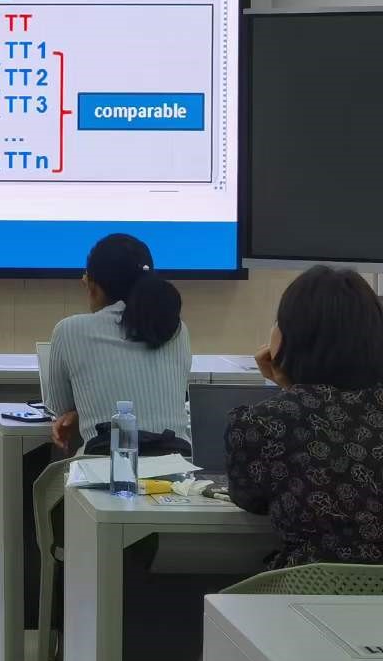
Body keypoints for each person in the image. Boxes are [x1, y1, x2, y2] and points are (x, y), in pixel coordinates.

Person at [225, 265, 383, 568]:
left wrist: (289, 388)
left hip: (308, 587)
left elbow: (250, 499)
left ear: (292, 336)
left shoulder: (262, 423)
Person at [44, 233, 191, 453]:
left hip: (105, 467)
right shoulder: (176, 329)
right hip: (178, 467)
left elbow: (59, 411)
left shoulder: (69, 330)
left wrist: (77, 414)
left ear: (92, 286)